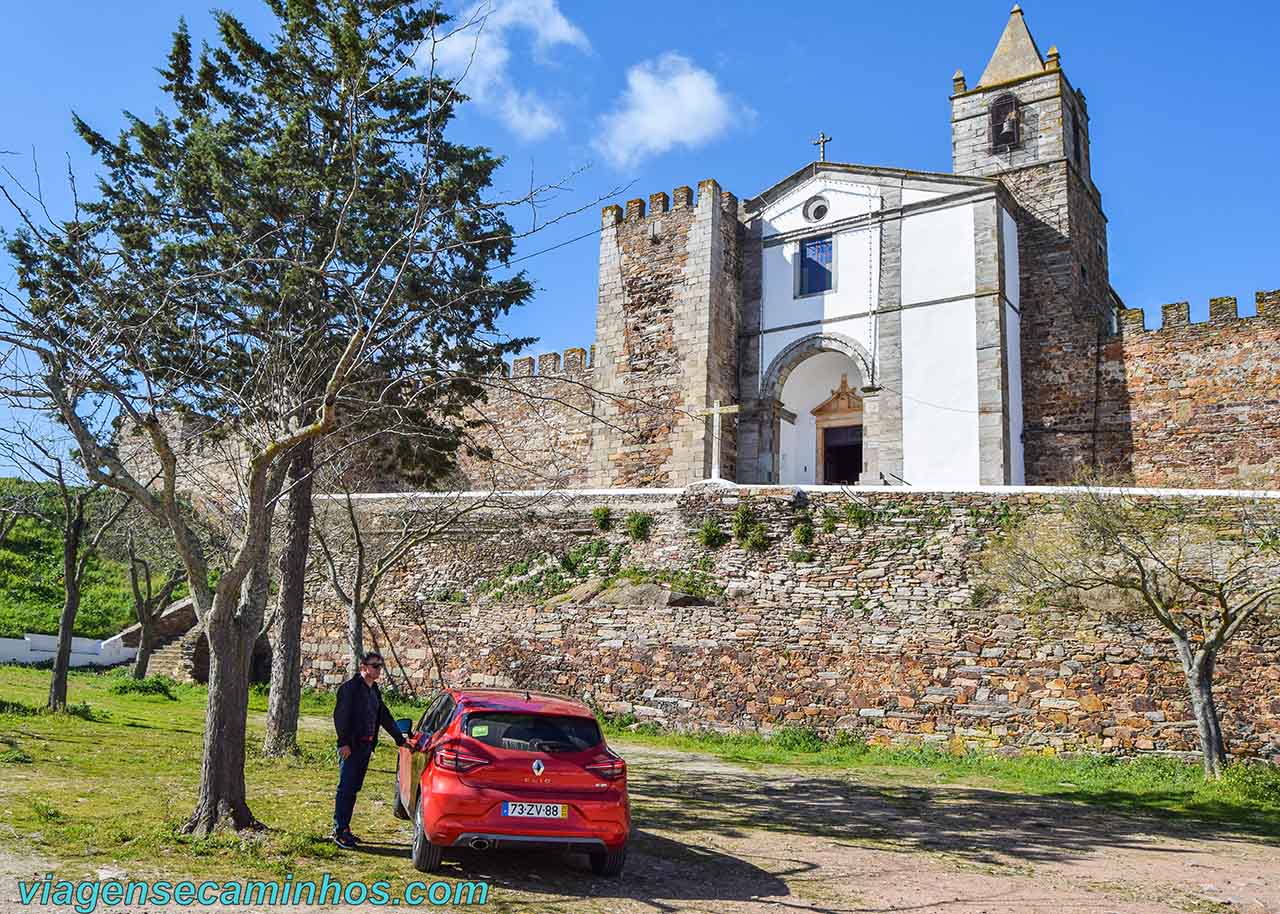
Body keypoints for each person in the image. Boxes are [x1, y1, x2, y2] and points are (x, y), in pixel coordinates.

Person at [332, 650, 406, 848]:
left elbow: (384, 716)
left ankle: (345, 828)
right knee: (346, 788)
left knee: (353, 789)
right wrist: (343, 743)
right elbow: (340, 717)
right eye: (375, 666)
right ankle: (340, 831)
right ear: (363, 667)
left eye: (380, 666)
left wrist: (400, 739)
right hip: (351, 747)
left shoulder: (374, 690)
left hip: (365, 747)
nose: (379, 669)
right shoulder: (350, 689)